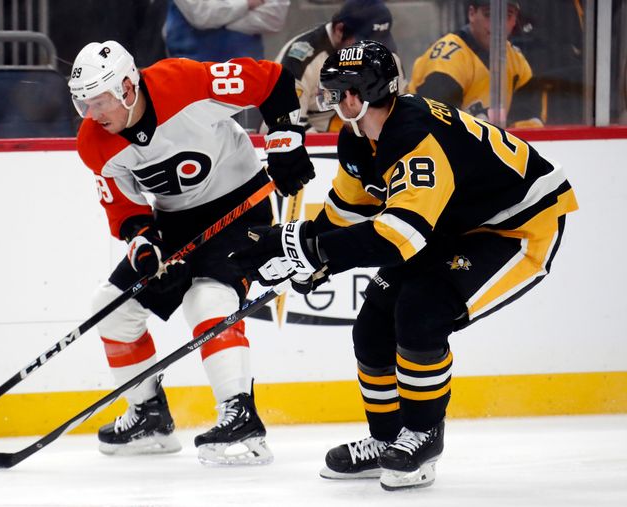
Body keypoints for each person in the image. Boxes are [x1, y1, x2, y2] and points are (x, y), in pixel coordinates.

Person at [232, 40, 577, 489]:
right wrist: (297, 249)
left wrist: (314, 252)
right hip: (450, 225)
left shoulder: (415, 136)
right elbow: (347, 214)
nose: (330, 102)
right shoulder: (358, 138)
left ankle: (422, 437)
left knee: (421, 313)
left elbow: (401, 239)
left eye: (334, 92)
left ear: (355, 97)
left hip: (517, 228)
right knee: (372, 327)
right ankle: (387, 438)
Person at [68, 40, 314, 465]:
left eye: (100, 100)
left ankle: (241, 416)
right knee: (111, 307)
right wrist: (144, 240)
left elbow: (271, 82)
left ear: (128, 87)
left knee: (208, 298)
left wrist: (285, 141)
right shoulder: (93, 142)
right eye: (84, 103)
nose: (93, 114)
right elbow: (125, 207)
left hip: (241, 202)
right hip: (175, 223)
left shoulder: (184, 82)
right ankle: (149, 417)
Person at [274, 0, 405, 132]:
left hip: (373, 139)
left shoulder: (386, 56)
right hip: (316, 143)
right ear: (339, 30)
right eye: (363, 44)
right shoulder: (299, 61)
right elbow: (284, 125)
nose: (371, 53)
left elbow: (401, 111)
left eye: (380, 42)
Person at [407, 0, 543, 127]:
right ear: (472, 14)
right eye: (489, 15)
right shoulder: (448, 60)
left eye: (507, 16)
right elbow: (434, 127)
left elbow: (530, 124)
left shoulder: (516, 60)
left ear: (514, 20)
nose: (498, 25)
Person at [165, 0, 290, 61]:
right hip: (192, 72)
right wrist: (247, 4)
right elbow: (201, 15)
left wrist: (219, 16)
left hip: (246, 72)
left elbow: (274, 18)